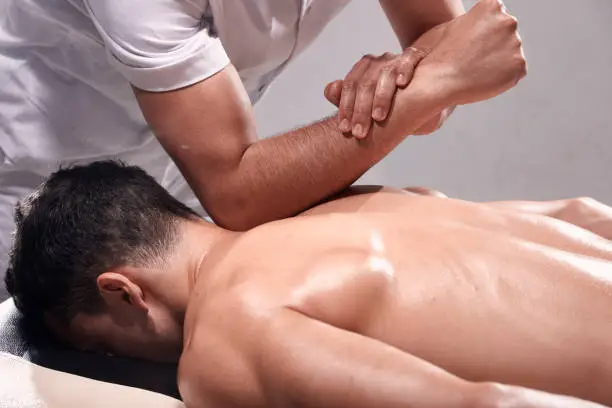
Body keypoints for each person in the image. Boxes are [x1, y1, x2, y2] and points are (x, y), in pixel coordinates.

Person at [0, 0, 526, 300]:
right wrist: (429, 84)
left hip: (188, 169)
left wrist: (408, 78)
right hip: (33, 166)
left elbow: (448, 37)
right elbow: (237, 189)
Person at [6, 159, 612, 408]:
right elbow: (584, 215)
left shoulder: (227, 337)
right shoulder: (356, 201)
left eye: (104, 346)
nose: (121, 360)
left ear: (122, 291)